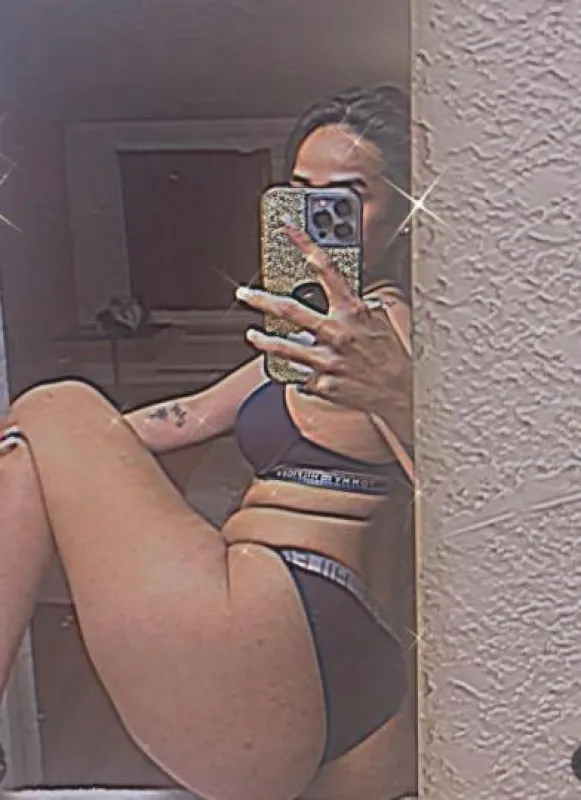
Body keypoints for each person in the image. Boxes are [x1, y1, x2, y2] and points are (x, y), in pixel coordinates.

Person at [0, 85, 416, 800]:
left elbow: (468, 496)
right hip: (336, 647)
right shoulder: (311, 336)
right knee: (45, 434)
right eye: (299, 194)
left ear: (403, 214)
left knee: (58, 402)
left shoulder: (394, 331)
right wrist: (40, 451)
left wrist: (394, 391)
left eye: (345, 199)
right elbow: (186, 418)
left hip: (278, 614)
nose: (315, 219)